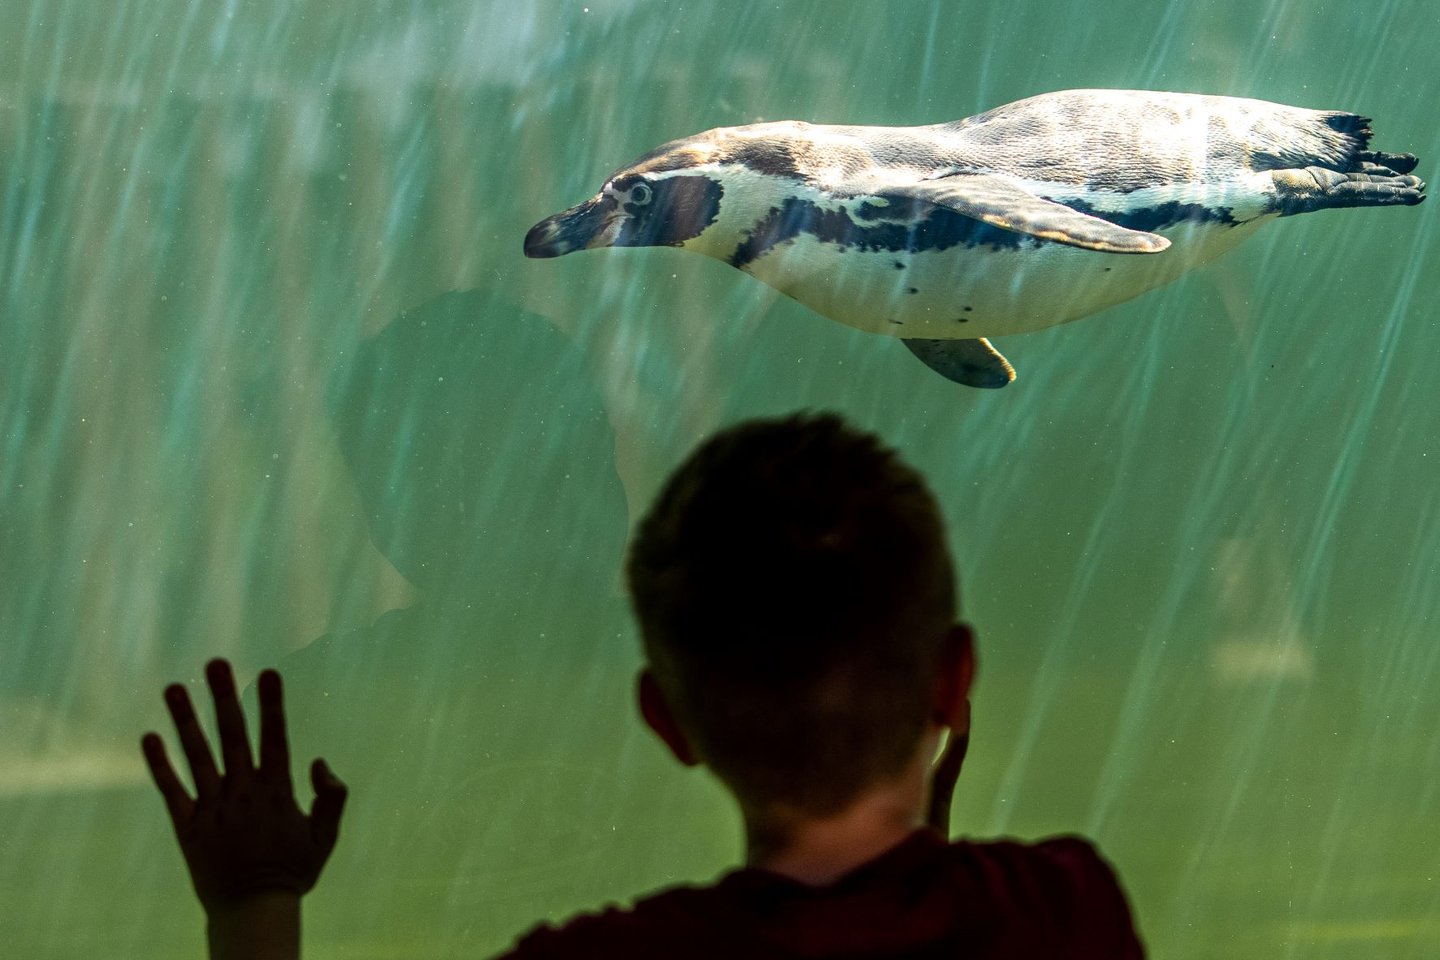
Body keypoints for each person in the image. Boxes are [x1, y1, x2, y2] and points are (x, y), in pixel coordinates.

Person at [142, 412, 1145, 959]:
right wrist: (932, 848)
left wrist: (253, 910)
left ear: (667, 720)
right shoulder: (1065, 907)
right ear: (954, 681)